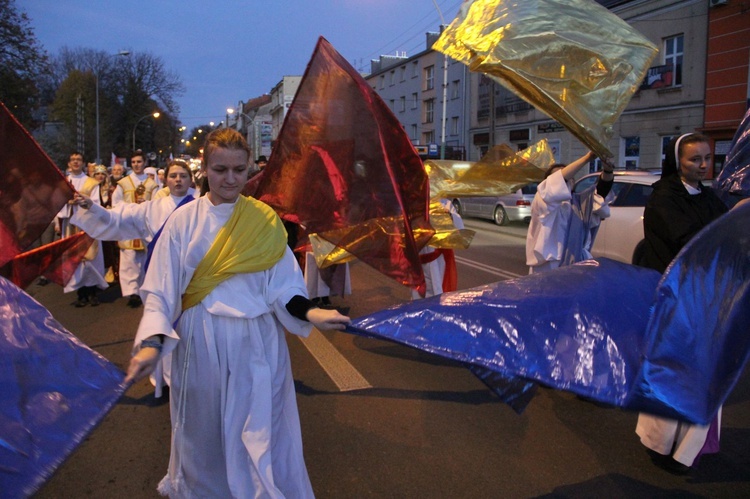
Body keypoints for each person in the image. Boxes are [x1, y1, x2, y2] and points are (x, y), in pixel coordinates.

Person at [124, 128, 350, 497]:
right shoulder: (183, 222)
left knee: (260, 430)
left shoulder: (263, 220)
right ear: (206, 171)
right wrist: (152, 342)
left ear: (249, 171)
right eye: (220, 169)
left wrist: (311, 312)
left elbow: (283, 284)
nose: (230, 179)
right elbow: (161, 290)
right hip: (200, 340)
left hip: (256, 342)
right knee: (202, 432)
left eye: (239, 170)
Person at [635, 133, 729, 474]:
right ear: (678, 162)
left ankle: (689, 448)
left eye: (707, 158)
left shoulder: (709, 198)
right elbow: (691, 241)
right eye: (694, 159)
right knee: (673, 372)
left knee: (707, 372)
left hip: (709, 297)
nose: (703, 165)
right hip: (676, 299)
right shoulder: (663, 199)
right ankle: (660, 444)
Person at [525, 151, 614, 273]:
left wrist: (608, 171)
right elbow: (559, 181)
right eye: (561, 176)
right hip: (549, 266)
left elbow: (601, 194)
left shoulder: (579, 204)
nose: (566, 178)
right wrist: (587, 157)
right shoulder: (542, 200)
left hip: (578, 263)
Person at [58, 153, 108, 306]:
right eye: (73, 160)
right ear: (69, 163)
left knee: (91, 259)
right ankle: (81, 294)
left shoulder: (91, 183)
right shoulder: (64, 182)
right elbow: (58, 204)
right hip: (71, 225)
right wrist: (68, 203)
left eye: (78, 160)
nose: (75, 162)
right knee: (76, 260)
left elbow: (95, 204)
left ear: (83, 163)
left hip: (88, 226)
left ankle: (93, 292)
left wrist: (79, 202)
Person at [112, 150, 159, 307]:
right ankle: (132, 292)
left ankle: (143, 289)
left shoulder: (152, 185)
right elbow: (116, 203)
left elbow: (158, 204)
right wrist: (131, 207)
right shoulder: (123, 183)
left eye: (139, 162)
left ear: (145, 163)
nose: (136, 165)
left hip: (145, 226)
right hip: (128, 226)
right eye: (133, 162)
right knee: (129, 260)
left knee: (145, 260)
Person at [412, 198, 463, 299]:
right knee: (418, 295)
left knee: (438, 293)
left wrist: (448, 217)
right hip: (419, 260)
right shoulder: (415, 202)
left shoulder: (444, 203)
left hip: (438, 260)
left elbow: (459, 228)